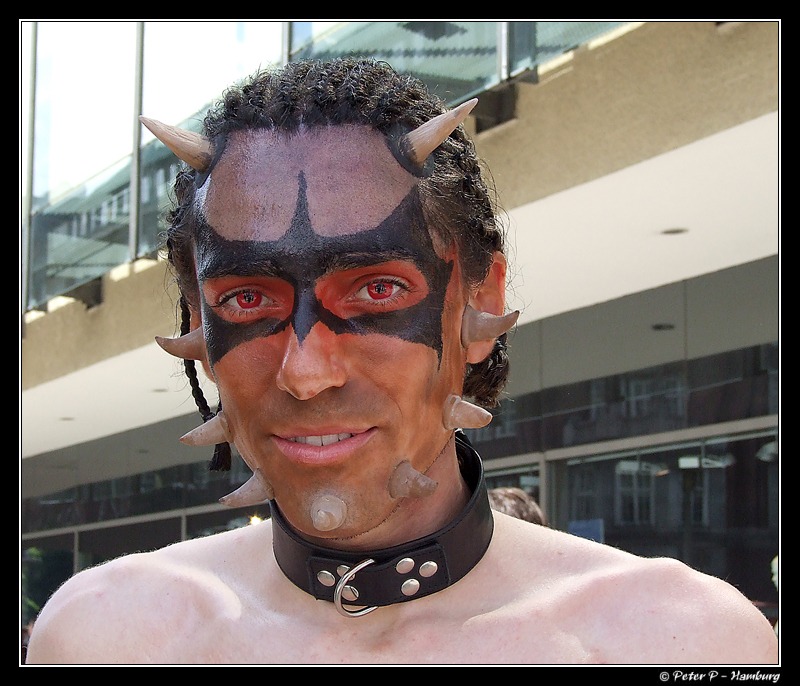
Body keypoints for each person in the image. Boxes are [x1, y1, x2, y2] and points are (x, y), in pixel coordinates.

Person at [26, 58, 778, 665]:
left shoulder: (679, 640)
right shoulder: (105, 637)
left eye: (378, 289)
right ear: (196, 323)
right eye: (247, 300)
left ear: (481, 300)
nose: (306, 373)